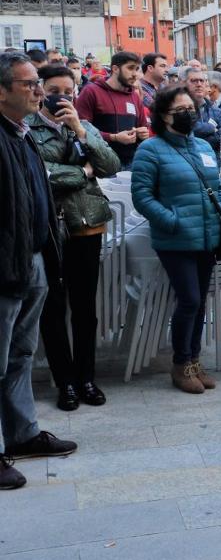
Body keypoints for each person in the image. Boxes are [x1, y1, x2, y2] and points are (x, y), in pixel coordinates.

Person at [0, 51, 79, 489]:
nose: (38, 91)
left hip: (32, 260)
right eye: (28, 84)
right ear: (2, 91)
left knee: (20, 355)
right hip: (6, 267)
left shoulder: (22, 133)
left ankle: (23, 434)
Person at [30, 65, 121, 411]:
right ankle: (64, 382)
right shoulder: (29, 130)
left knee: (85, 308)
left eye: (68, 90)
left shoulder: (84, 127)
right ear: (39, 91)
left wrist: (80, 130)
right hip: (51, 227)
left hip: (87, 225)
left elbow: (111, 165)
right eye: (54, 90)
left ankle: (86, 378)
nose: (61, 97)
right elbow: (39, 175)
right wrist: (82, 172)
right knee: (53, 308)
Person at [131, 86, 221, 394]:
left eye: (191, 109)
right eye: (180, 110)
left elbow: (219, 184)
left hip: (207, 236)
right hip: (175, 240)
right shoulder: (151, 149)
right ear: (163, 115)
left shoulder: (202, 146)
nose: (188, 114)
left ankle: (194, 361)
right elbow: (142, 196)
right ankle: (181, 363)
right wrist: (171, 220)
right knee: (189, 300)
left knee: (200, 302)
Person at [74, 50, 150, 168]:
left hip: (130, 163)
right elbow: (79, 129)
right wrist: (114, 137)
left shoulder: (134, 96)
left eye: (137, 69)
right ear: (115, 69)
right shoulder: (91, 92)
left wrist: (143, 133)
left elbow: (143, 126)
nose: (135, 74)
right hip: (100, 164)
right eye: (130, 68)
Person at [184, 66, 221, 151]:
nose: (199, 84)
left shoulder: (217, 111)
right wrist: (211, 129)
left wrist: (201, 139)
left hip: (212, 159)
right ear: (184, 83)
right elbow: (187, 128)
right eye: (194, 81)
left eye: (201, 81)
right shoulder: (180, 108)